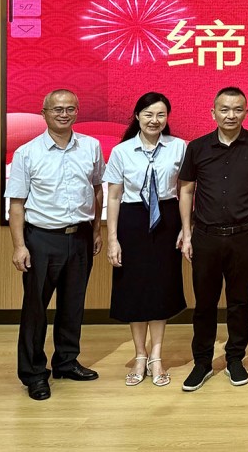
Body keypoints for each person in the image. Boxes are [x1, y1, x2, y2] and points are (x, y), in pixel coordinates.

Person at [7, 89, 104, 401]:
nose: (64, 114)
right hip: (41, 239)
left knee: (73, 304)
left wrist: (96, 230)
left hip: (80, 237)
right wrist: (19, 246)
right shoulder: (27, 153)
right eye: (57, 109)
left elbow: (97, 189)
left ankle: (66, 361)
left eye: (70, 109)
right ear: (44, 113)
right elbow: (17, 204)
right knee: (36, 308)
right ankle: (34, 373)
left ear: (77, 111)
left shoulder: (91, 146)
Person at [177, 87, 248, 392]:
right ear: (213, 112)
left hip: (244, 235)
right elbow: (187, 190)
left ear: (246, 112)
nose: (231, 115)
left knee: (239, 302)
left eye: (237, 109)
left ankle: (235, 359)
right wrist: (187, 233)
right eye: (224, 109)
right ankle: (202, 362)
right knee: (204, 303)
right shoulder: (197, 147)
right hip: (205, 236)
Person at [105, 92, 188, 388]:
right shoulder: (122, 151)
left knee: (160, 288)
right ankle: (139, 354)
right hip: (132, 221)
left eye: (161, 115)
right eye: (149, 114)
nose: (155, 120)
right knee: (134, 288)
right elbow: (113, 196)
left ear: (167, 118)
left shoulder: (179, 147)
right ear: (137, 116)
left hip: (167, 219)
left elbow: (185, 190)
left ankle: (156, 356)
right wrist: (112, 239)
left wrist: (186, 228)